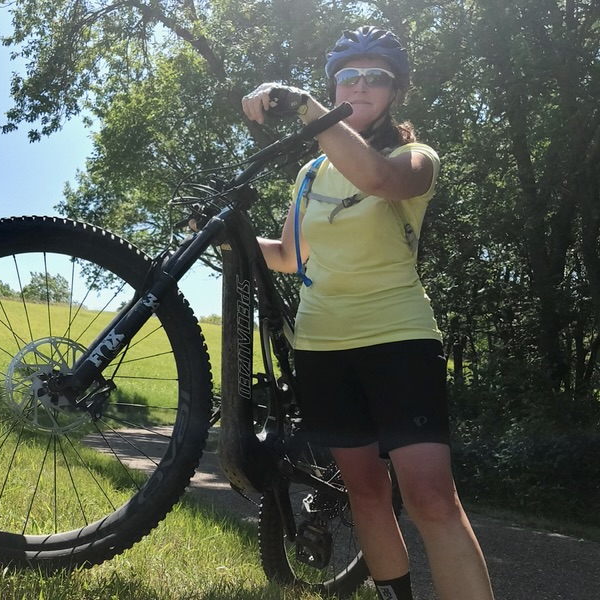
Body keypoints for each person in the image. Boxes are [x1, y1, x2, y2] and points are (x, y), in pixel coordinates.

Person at [241, 26, 494, 600]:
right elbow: (289, 257)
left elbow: (380, 180)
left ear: (394, 91)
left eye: (374, 77)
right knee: (366, 493)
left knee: (431, 498)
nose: (359, 85)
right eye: (347, 76)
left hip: (398, 339)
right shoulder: (310, 174)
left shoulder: (415, 157)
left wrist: (306, 107)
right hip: (321, 347)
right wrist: (227, 235)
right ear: (336, 86)